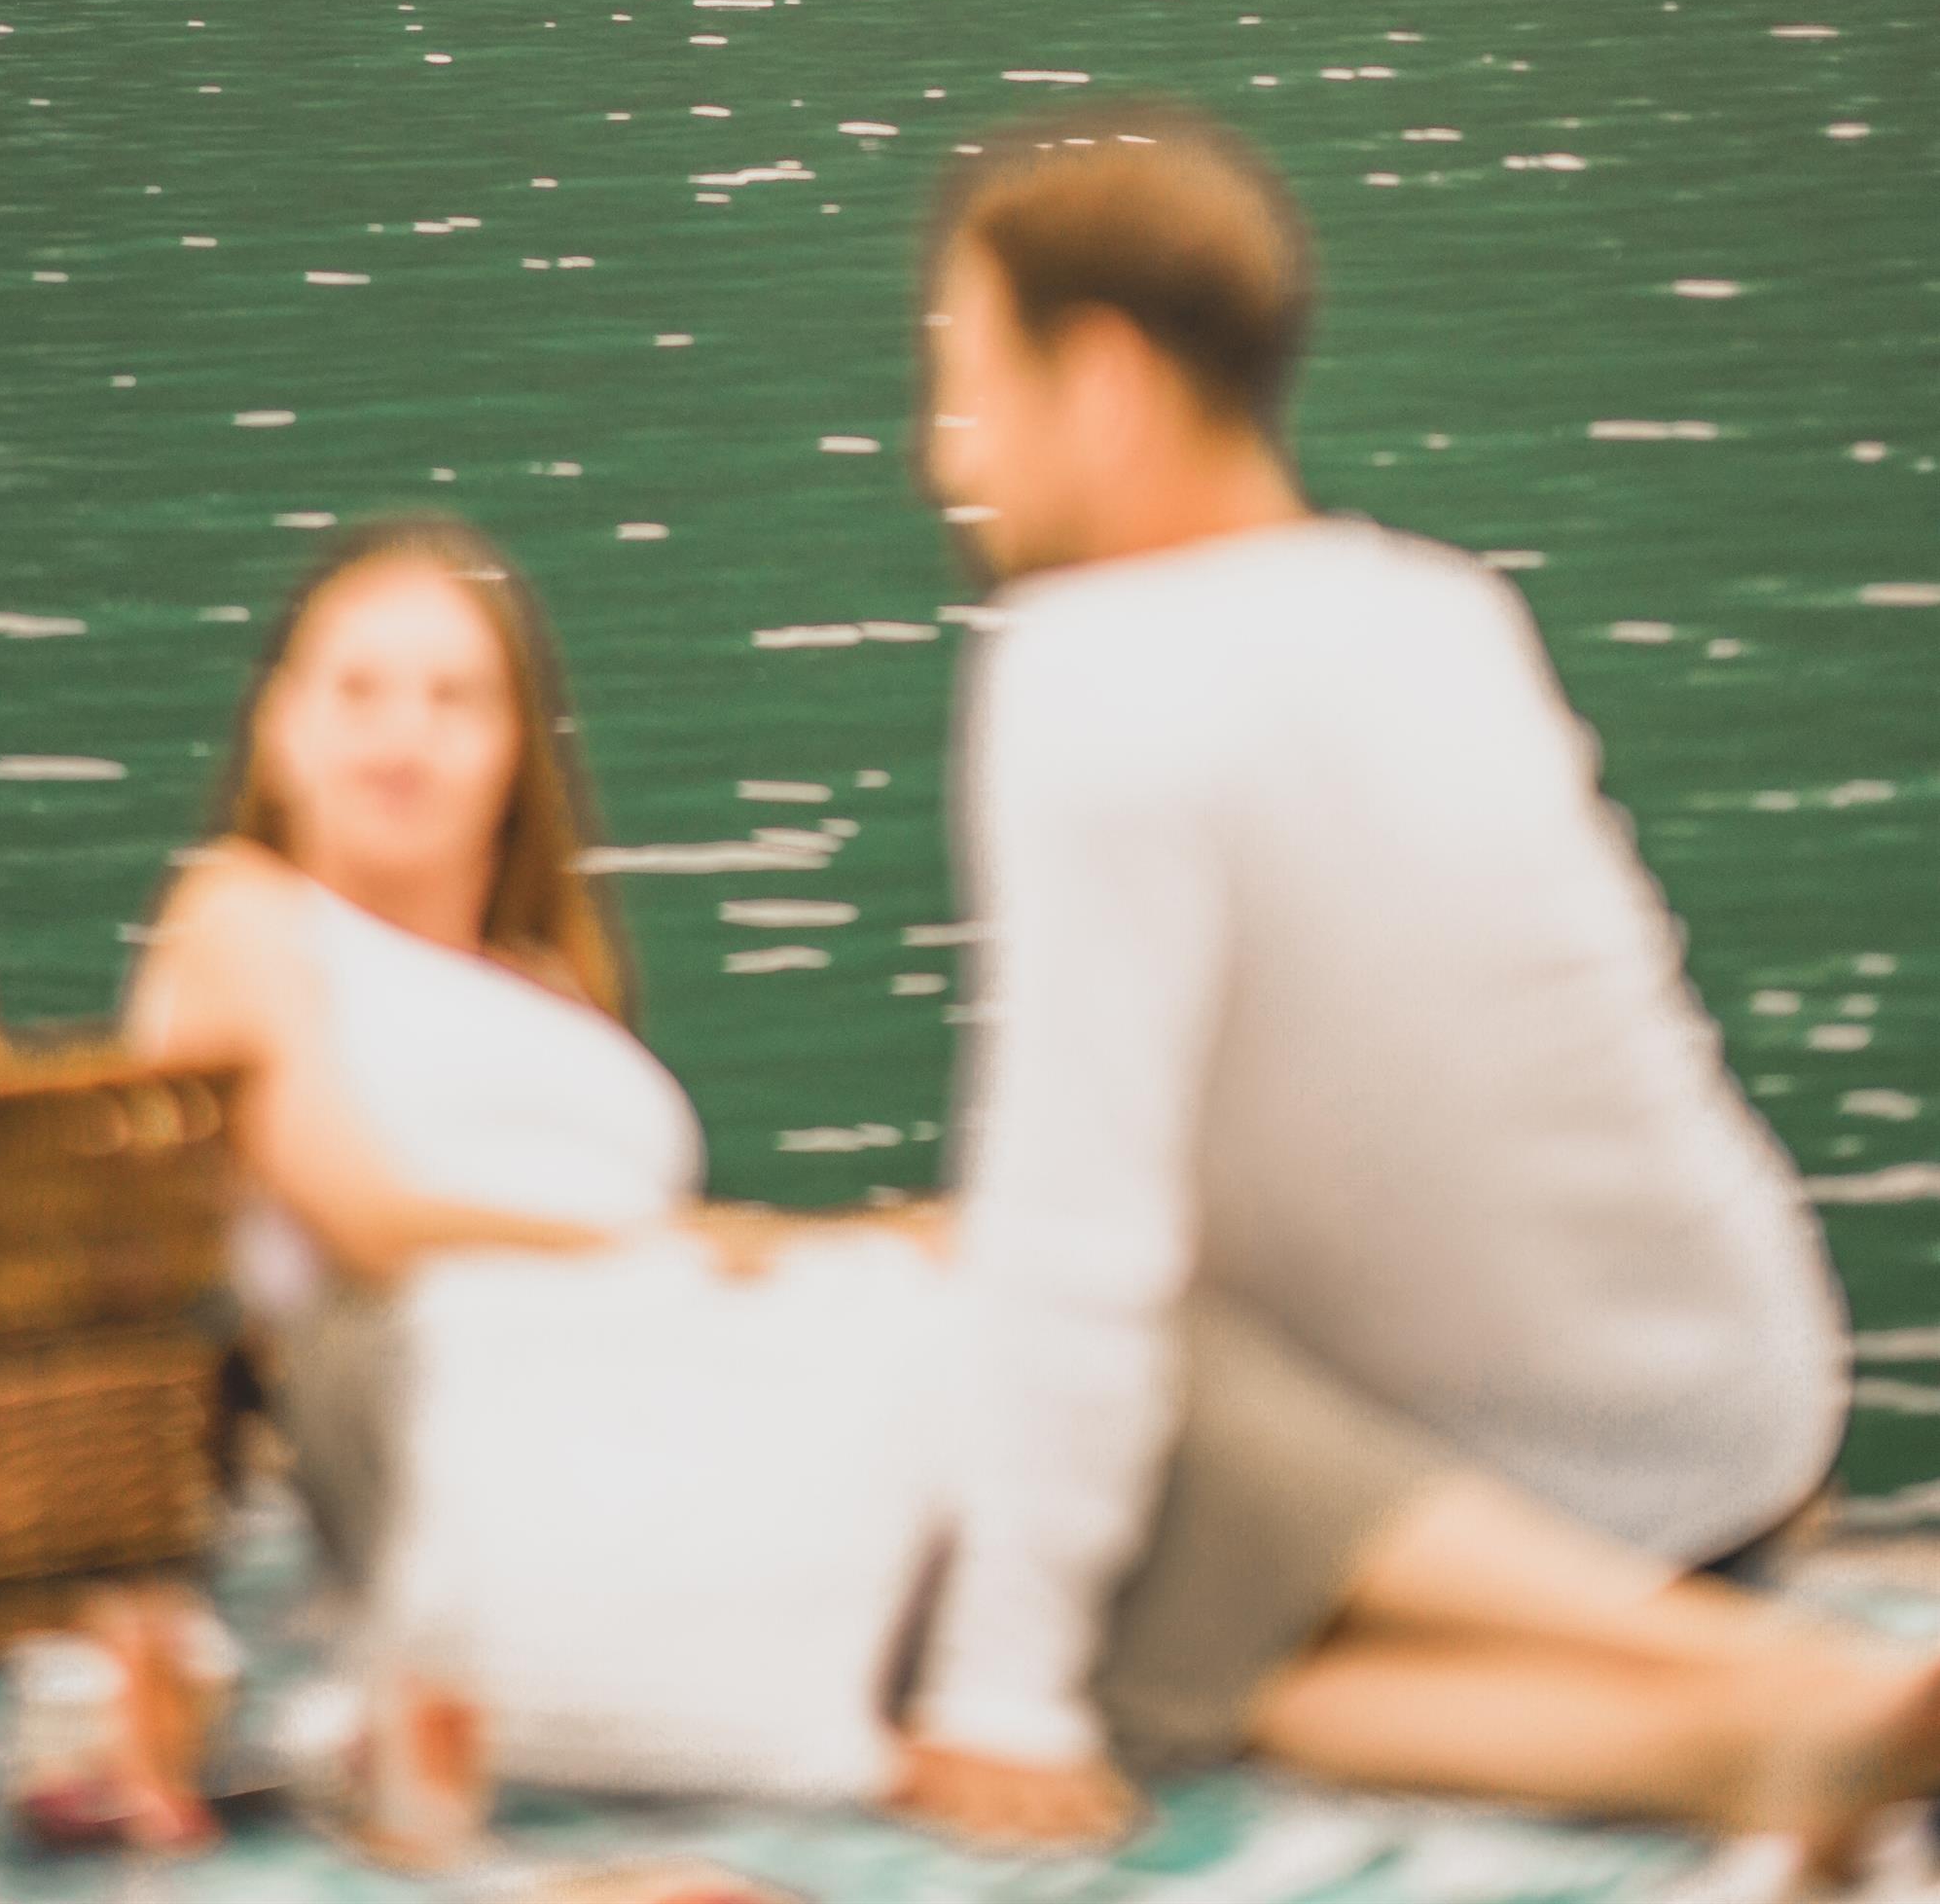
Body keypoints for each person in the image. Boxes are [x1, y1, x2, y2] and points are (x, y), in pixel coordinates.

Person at [124, 517, 1936, 1866]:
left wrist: (776, 1265)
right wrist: (754, 1248)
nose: (403, 734)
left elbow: (646, 1260)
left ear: (518, 752)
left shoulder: (543, 992)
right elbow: (365, 1218)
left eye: (453, 698)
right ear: (277, 728)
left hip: (663, 1408)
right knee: (1144, 1370)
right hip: (459, 1414)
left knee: (1151, 1660)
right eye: (357, 690)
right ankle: (1737, 1654)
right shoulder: (245, 919)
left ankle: (1756, 1751)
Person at [906, 107, 1851, 1849]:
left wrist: (1001, 1690)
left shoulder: (1087, 681)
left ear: (1098, 387)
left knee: (1054, 1605)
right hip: (1750, 1425)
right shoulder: (1434, 607)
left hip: (1536, 1538)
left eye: (963, 386)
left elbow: (1078, 1233)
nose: (939, 457)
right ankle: (1769, 1682)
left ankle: (1758, 1726)